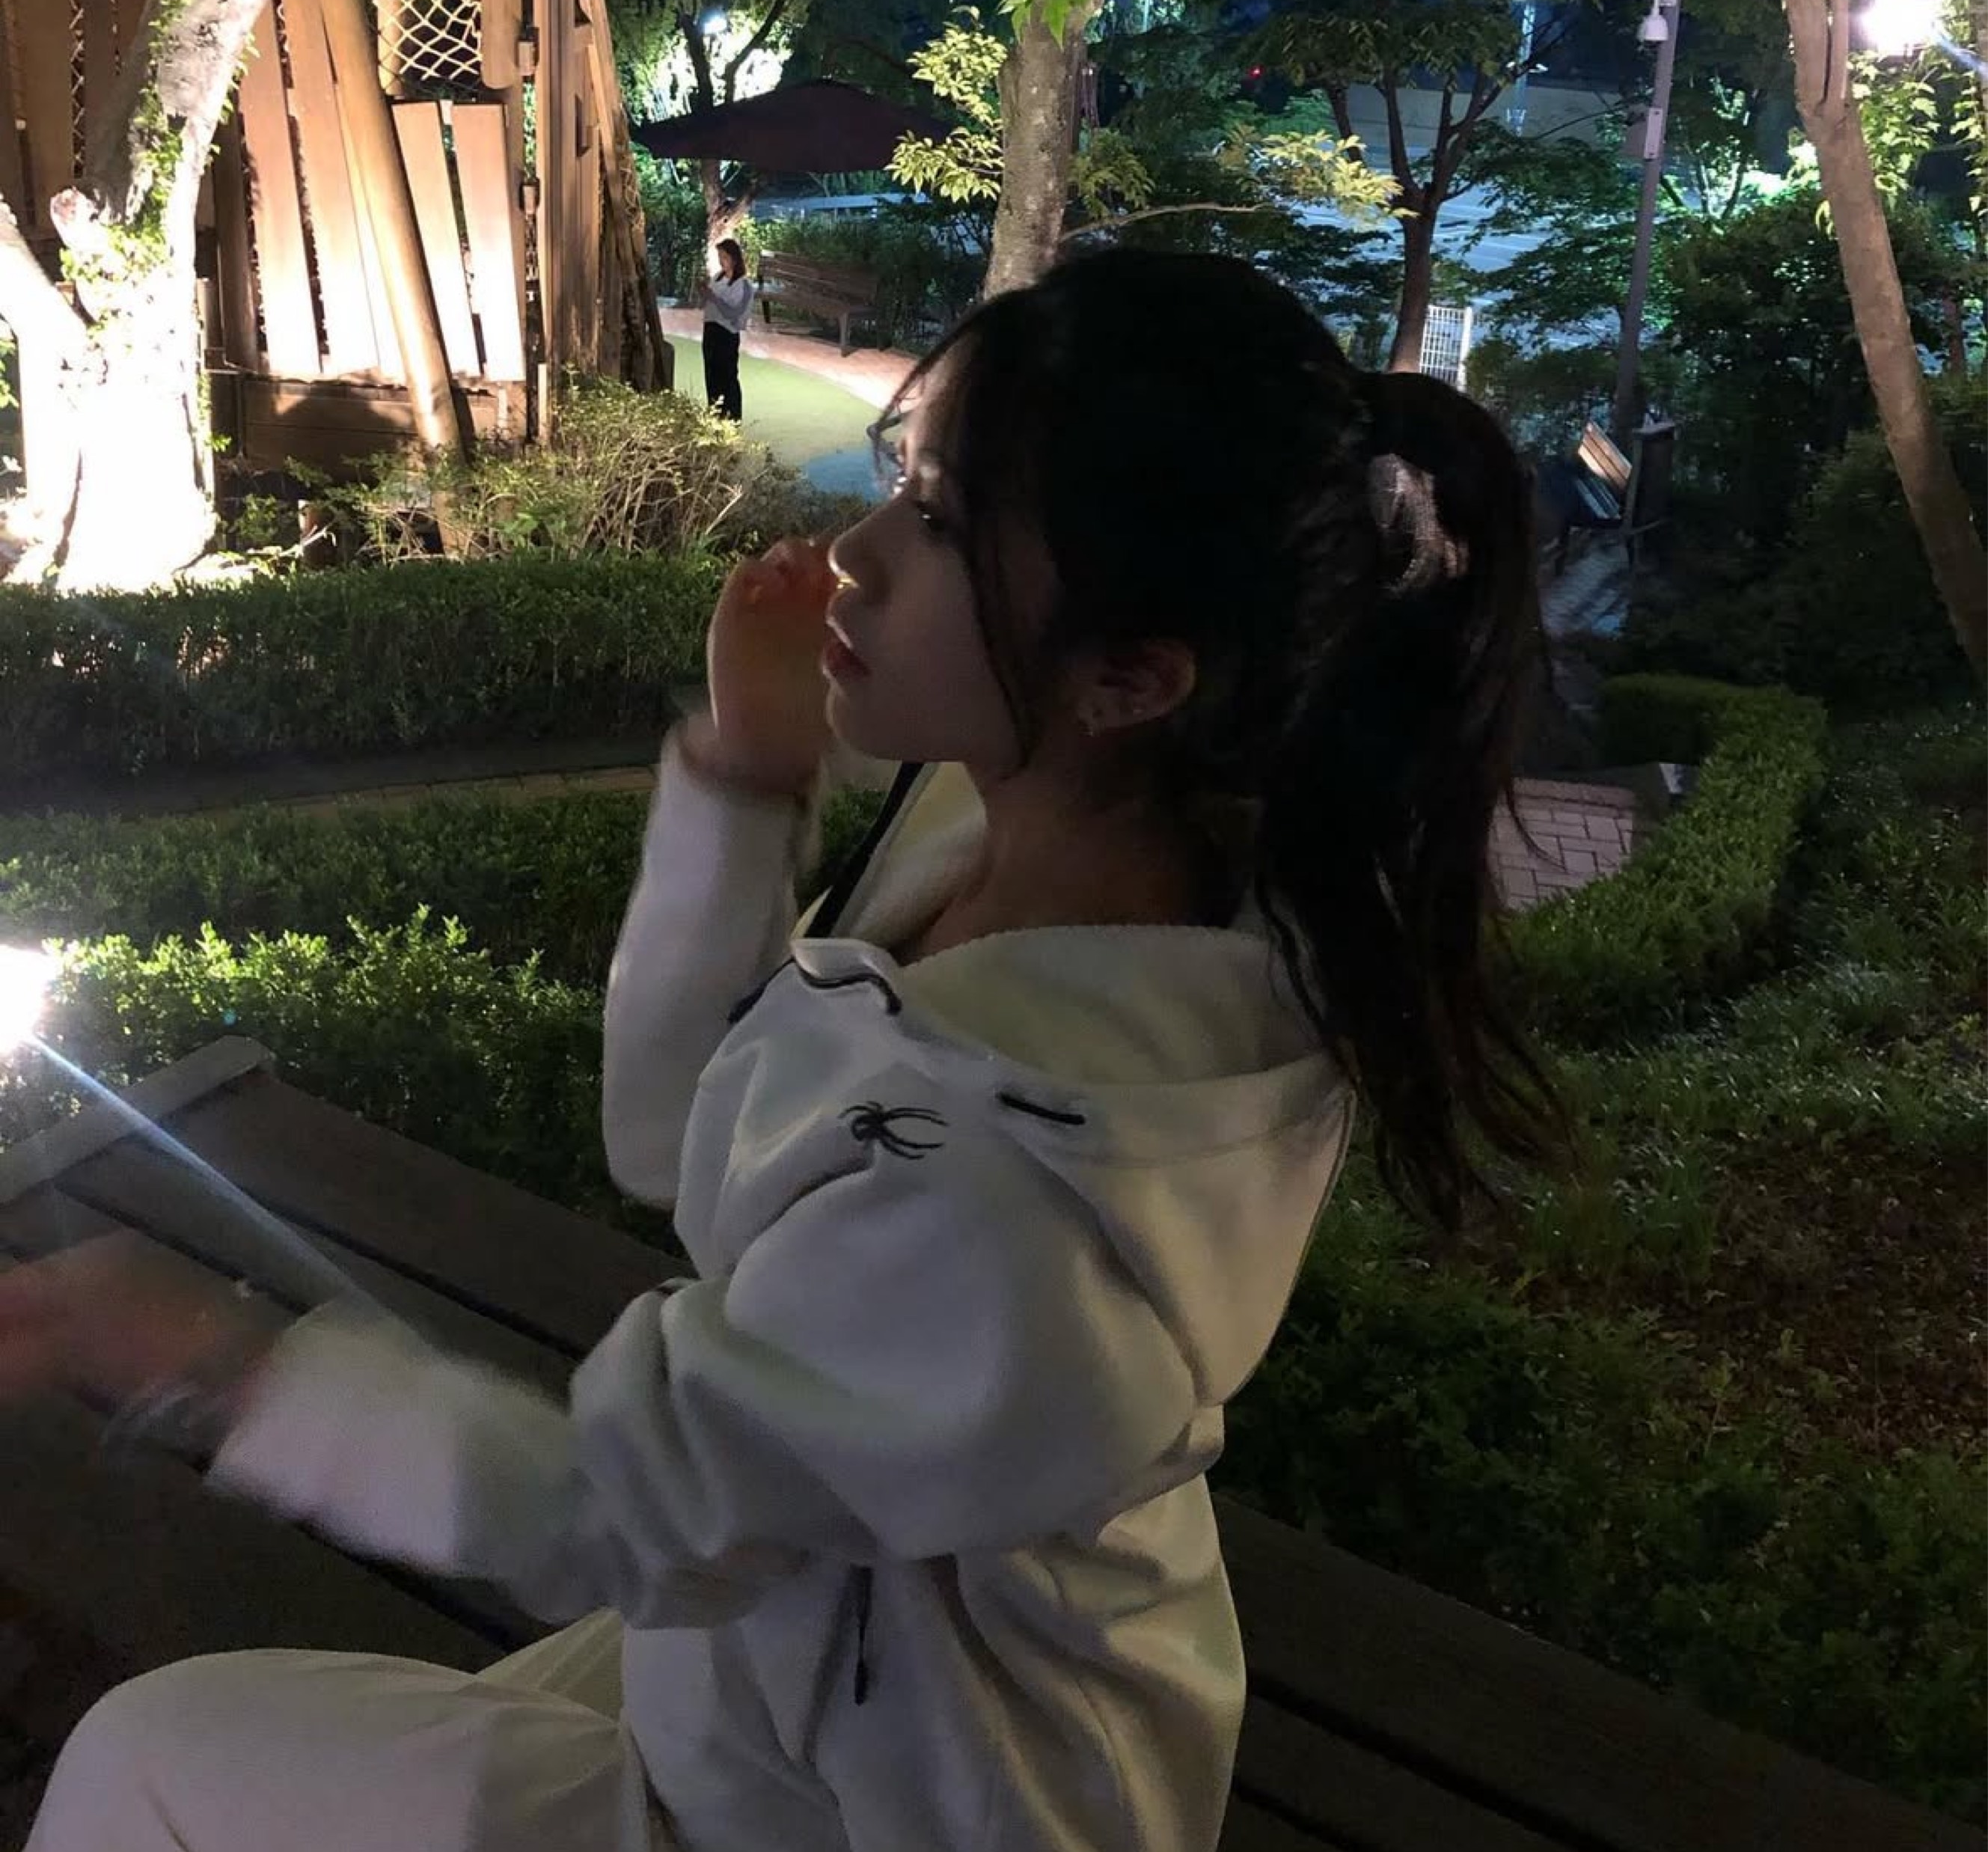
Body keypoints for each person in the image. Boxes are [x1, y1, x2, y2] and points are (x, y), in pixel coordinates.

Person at [0, 249, 1568, 1852]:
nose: (854, 557)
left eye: (940, 521)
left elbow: (604, 1507)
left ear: (1130, 679)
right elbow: (674, 1133)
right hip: (800, 1639)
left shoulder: (1016, 1191)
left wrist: (202, 1352)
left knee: (147, 1759)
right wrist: (749, 772)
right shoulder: (1002, 851)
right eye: (903, 481)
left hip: (912, 1791)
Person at [701, 239, 753, 422]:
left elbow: (734, 313)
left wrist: (715, 299)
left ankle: (732, 416)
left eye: (725, 257)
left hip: (727, 334)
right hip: (711, 330)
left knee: (728, 376)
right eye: (720, 257)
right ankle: (715, 412)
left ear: (734, 259)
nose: (721, 261)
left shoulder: (743, 285)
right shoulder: (717, 277)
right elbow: (708, 304)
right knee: (711, 373)